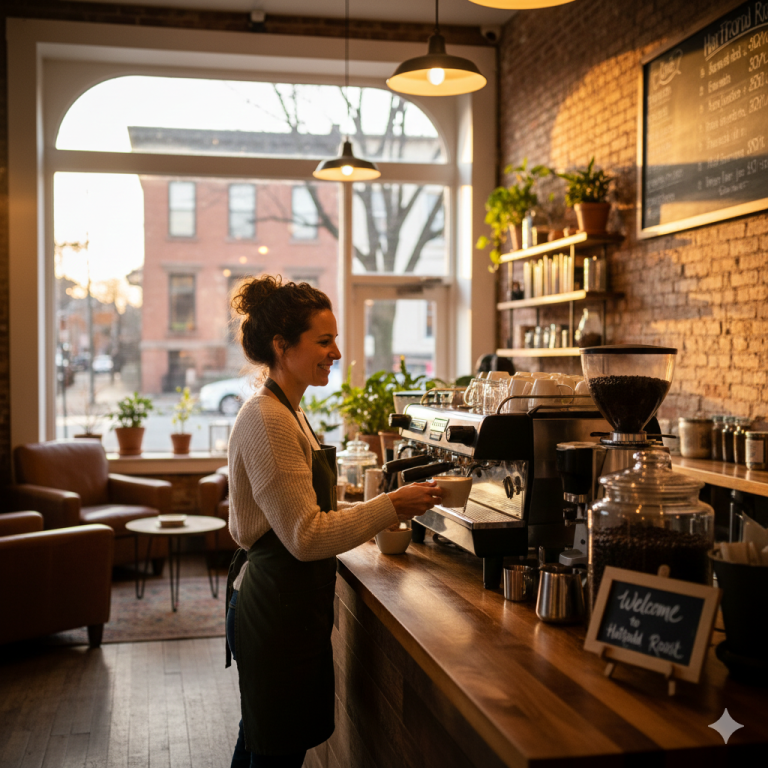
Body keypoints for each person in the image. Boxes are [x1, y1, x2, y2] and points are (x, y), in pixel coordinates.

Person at [224, 275, 443, 768]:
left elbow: (304, 515)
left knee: (261, 741)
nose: (337, 352)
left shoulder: (290, 411)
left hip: (290, 608)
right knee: (273, 753)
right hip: (275, 612)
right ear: (283, 346)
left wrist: (390, 504)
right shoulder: (268, 419)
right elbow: (305, 535)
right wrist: (392, 505)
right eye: (324, 341)